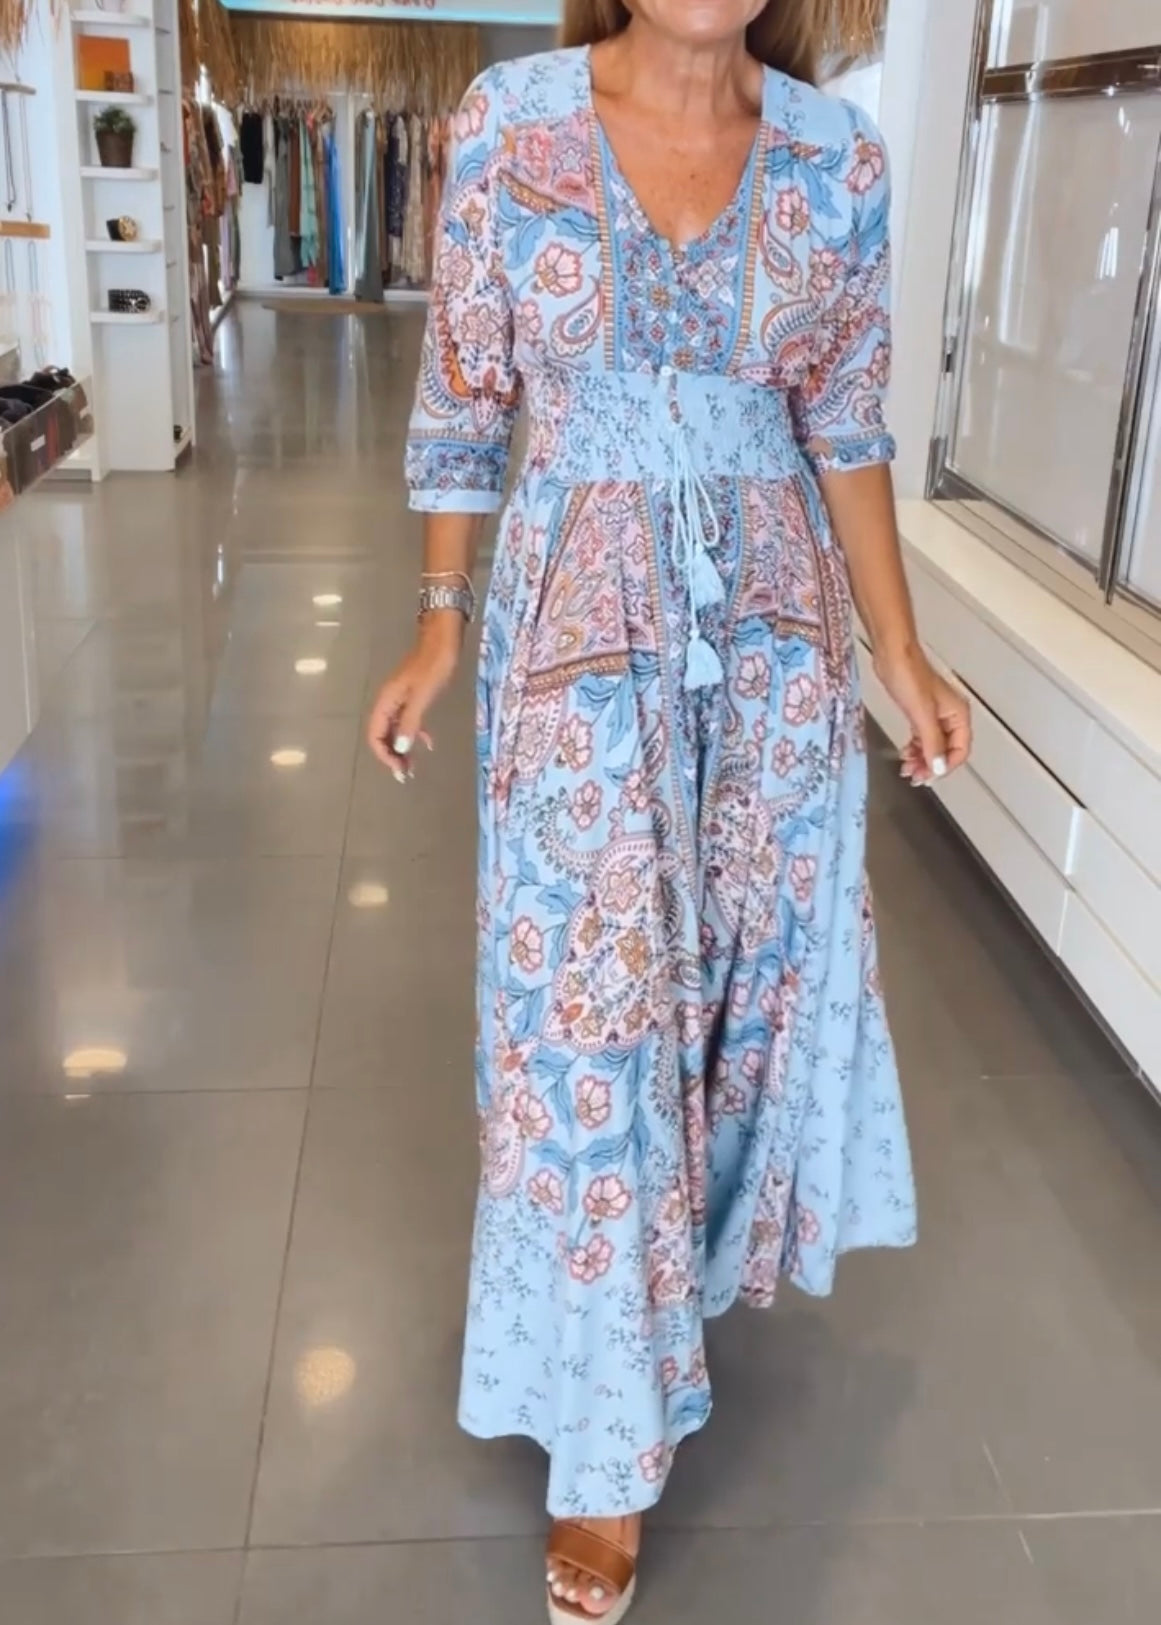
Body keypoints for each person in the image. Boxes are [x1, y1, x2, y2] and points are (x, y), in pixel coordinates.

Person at [368, 3, 972, 1620]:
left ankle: (658, 1305)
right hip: (574, 632)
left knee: (724, 1009)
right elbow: (463, 388)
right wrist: (437, 620)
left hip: (771, 645)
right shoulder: (510, 123)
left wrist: (899, 653)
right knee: (586, 1023)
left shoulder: (838, 161)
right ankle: (603, 1448)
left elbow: (845, 424)